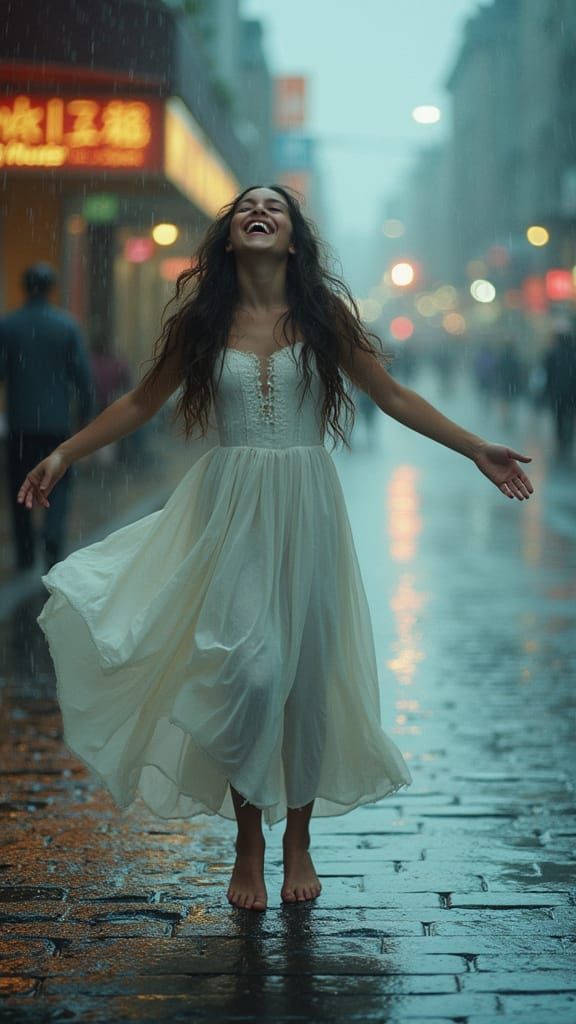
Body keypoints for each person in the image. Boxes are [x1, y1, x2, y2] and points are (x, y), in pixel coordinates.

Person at [18, 187, 534, 913]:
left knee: (305, 682)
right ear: (230, 238)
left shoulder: (325, 320)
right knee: (248, 674)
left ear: (292, 239)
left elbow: (392, 397)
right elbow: (140, 403)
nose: (258, 211)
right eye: (245, 208)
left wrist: (475, 447)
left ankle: (298, 840)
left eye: (275, 208)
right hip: (229, 509)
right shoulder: (202, 322)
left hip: (309, 506)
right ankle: (247, 841)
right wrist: (65, 453)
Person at [0, 262, 93, 570]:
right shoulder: (66, 326)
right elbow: (82, 377)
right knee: (59, 483)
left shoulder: (8, 326)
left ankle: (25, 550)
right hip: (56, 424)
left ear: (24, 287)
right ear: (52, 287)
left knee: (20, 485)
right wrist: (86, 416)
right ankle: (52, 535)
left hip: (21, 424)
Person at [543, 327, 576, 456]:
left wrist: (547, 392)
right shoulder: (574, 353)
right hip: (572, 394)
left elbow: (548, 374)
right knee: (571, 417)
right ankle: (568, 440)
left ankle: (561, 441)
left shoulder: (552, 353)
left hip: (557, 394)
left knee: (559, 419)